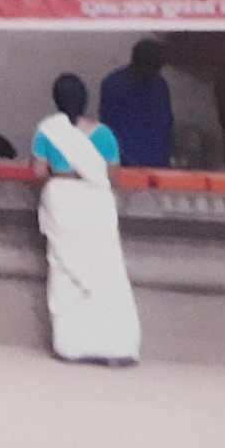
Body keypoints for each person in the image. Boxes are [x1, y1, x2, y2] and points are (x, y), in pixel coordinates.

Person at [31, 73, 141, 366]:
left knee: (66, 271)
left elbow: (39, 172)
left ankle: (72, 346)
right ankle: (116, 347)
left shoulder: (48, 131)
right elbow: (113, 174)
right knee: (106, 272)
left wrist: (62, 172)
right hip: (96, 203)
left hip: (62, 201)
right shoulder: (104, 134)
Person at [98, 40, 175, 168]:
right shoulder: (114, 85)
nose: (153, 73)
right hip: (123, 162)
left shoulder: (160, 86)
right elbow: (108, 127)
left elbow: (166, 125)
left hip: (156, 162)